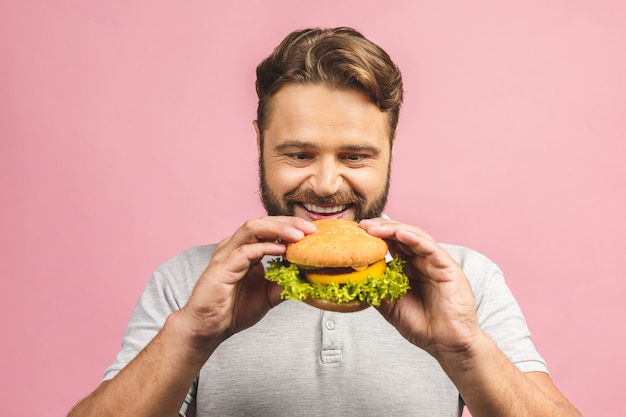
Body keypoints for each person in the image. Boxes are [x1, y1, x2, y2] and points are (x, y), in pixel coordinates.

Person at [68, 27, 582, 417]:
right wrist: (192, 335)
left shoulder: (462, 279)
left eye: (356, 156)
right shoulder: (188, 281)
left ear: (390, 150)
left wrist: (464, 347)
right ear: (259, 143)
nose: (328, 184)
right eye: (298, 154)